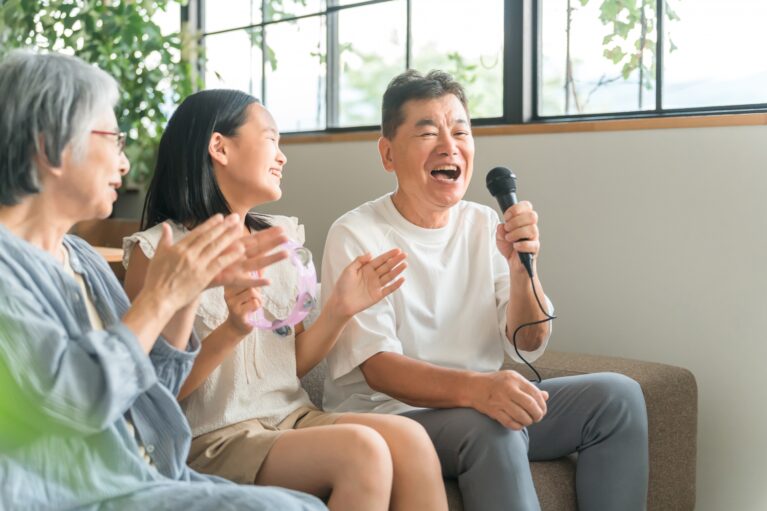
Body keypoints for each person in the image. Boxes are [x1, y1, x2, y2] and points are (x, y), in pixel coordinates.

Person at [0, 50, 325, 511]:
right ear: (50, 145)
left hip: (148, 471)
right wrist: (161, 297)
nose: (125, 163)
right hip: (78, 489)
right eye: (113, 139)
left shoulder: (82, 258)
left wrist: (188, 293)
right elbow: (75, 403)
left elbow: (153, 389)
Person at [321, 69, 650, 511]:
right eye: (428, 132)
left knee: (617, 397)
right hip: (391, 418)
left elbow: (528, 342)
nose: (448, 144)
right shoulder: (356, 234)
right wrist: (480, 390)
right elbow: (380, 370)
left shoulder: (484, 224)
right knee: (489, 425)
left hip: (482, 406)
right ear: (387, 154)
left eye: (460, 131)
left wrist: (521, 270)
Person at [122, 89, 448, 511]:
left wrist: (339, 310)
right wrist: (231, 331)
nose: (283, 156)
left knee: (410, 438)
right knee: (362, 450)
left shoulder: (281, 243)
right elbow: (154, 392)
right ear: (219, 146)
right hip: (213, 437)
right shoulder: (157, 253)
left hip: (291, 418)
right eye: (271, 139)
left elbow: (287, 366)